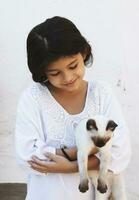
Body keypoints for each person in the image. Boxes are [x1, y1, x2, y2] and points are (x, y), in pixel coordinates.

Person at [14, 16, 131, 200]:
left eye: (73, 66)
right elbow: (27, 156)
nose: (68, 77)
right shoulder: (33, 98)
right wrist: (90, 152)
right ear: (42, 72)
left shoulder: (101, 94)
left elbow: (120, 152)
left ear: (83, 53)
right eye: (55, 73)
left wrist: (70, 164)